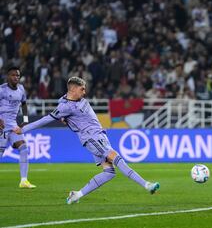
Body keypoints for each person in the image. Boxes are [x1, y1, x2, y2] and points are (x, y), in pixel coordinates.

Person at [14, 77, 159, 204]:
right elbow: (46, 119)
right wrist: (23, 129)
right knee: (115, 156)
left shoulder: (72, 100)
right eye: (82, 89)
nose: (84, 92)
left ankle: (77, 195)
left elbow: (66, 110)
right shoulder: (65, 107)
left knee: (109, 173)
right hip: (91, 137)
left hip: (100, 136)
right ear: (74, 89)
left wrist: (67, 119)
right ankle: (147, 185)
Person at [0, 66, 36, 189]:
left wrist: (25, 120)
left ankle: (24, 181)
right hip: (2, 125)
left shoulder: (21, 89)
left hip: (14, 125)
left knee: (24, 148)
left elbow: (24, 104)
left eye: (18, 76)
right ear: (8, 77)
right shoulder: (2, 90)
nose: (16, 77)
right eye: (13, 75)